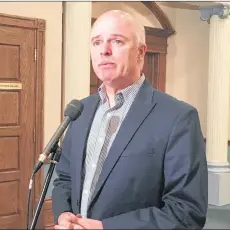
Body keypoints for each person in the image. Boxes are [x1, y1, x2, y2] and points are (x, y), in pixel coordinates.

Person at [52, 10, 208, 229]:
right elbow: (65, 179)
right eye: (97, 43)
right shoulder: (81, 110)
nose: (104, 51)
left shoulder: (178, 118)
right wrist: (63, 214)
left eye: (116, 41)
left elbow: (186, 212)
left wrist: (105, 228)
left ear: (140, 52)